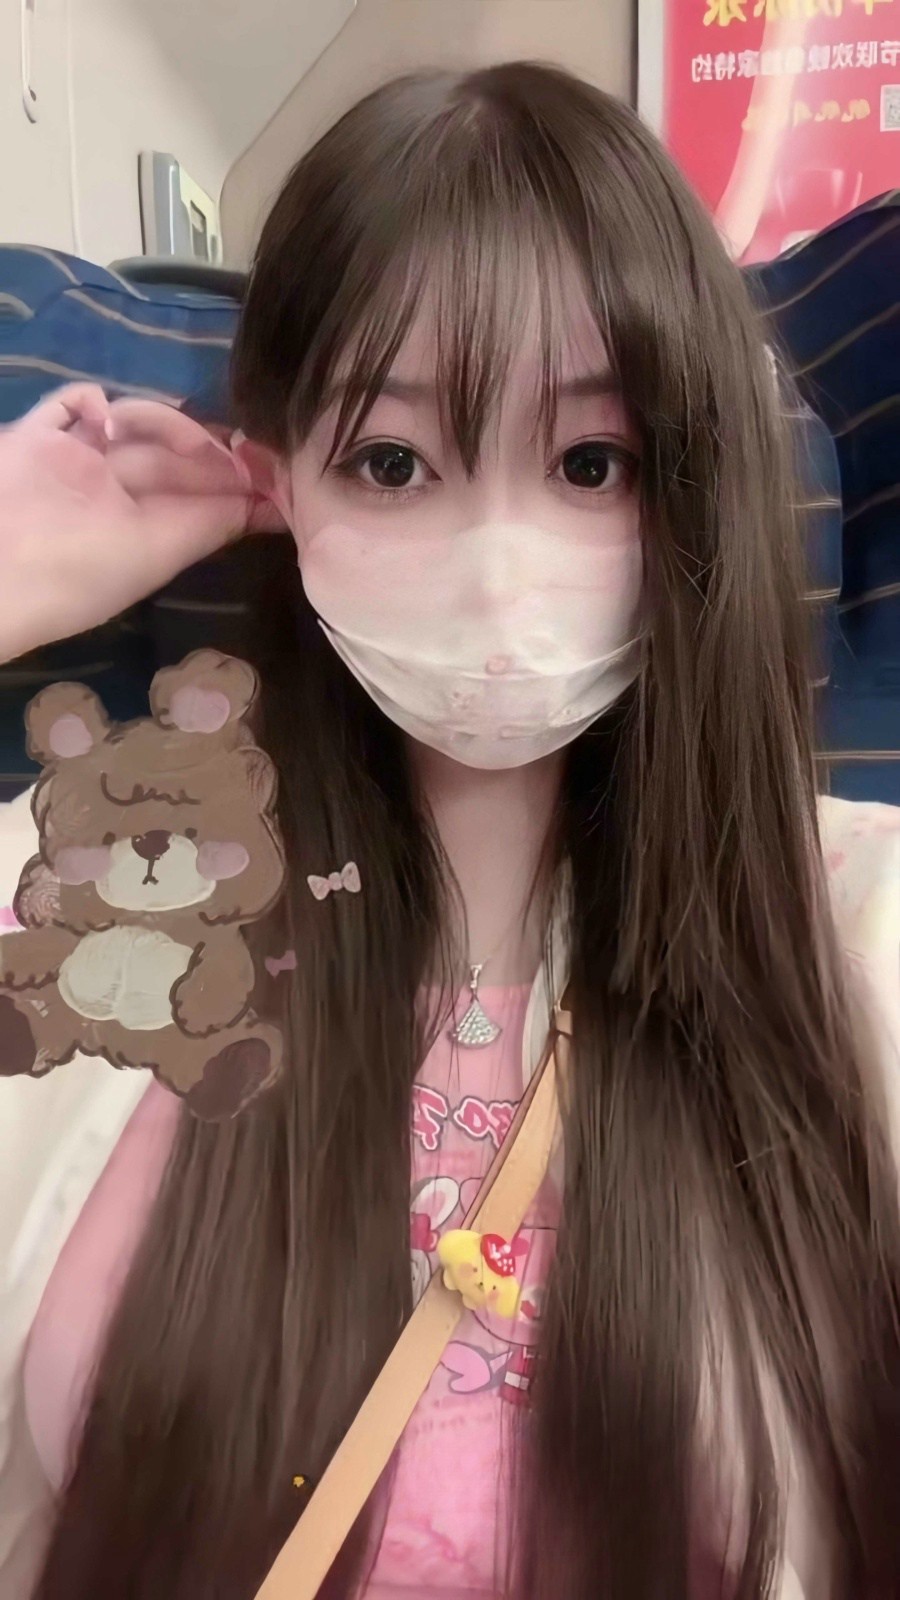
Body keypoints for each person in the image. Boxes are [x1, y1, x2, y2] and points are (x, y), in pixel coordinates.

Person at [0, 61, 898, 1600]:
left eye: (591, 463)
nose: (496, 566)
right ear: (281, 482)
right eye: (394, 462)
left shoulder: (860, 919)